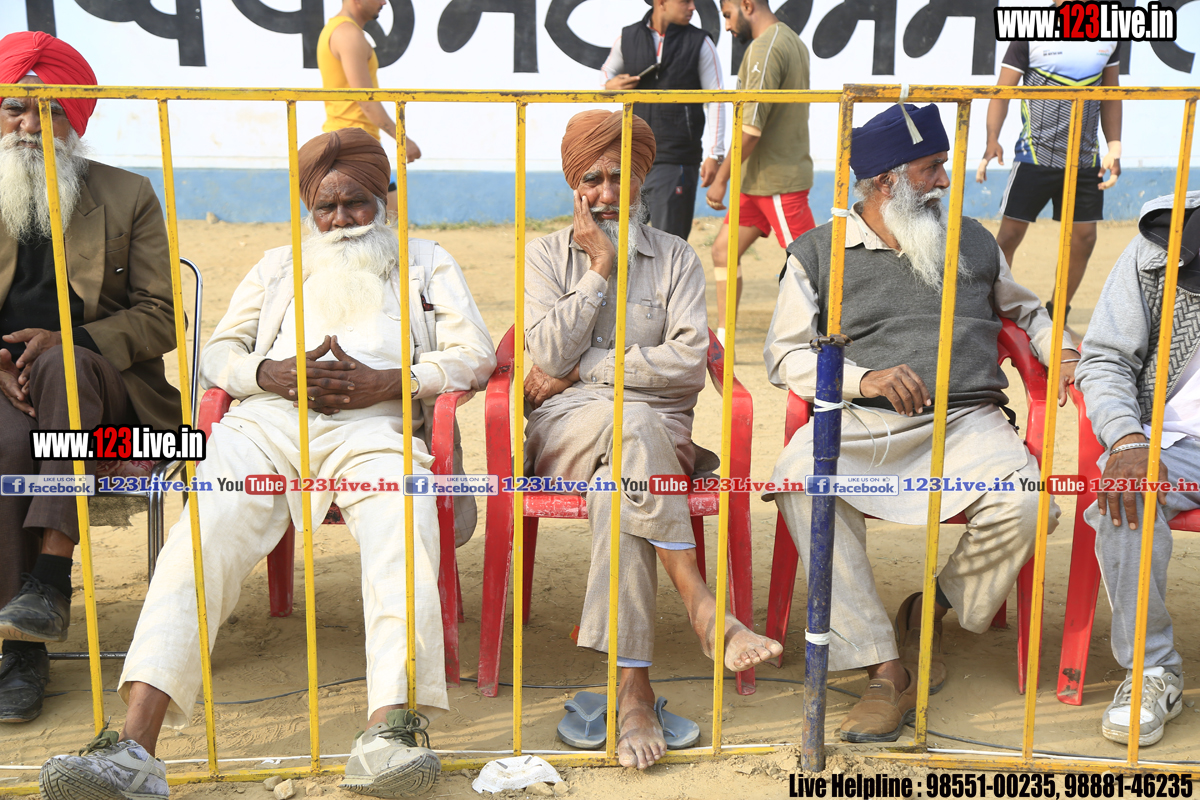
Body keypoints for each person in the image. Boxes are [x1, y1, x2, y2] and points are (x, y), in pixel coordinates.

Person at [38, 128, 496, 800]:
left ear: (385, 201)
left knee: (405, 527)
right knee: (199, 539)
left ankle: (389, 735)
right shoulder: (279, 265)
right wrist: (268, 372)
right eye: (325, 207)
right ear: (309, 209)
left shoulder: (427, 261)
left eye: (356, 203)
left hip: (377, 429)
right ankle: (132, 747)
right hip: (265, 425)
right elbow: (217, 352)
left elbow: (475, 354)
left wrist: (394, 380)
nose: (340, 219)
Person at [766, 104, 1078, 743]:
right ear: (886, 182)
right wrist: (864, 379)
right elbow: (785, 355)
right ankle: (885, 668)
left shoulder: (973, 240)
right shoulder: (818, 252)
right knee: (799, 478)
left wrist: (1063, 351)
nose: (943, 181)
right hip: (862, 421)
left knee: (1028, 501)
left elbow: (1028, 312)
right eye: (931, 167)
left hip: (967, 421)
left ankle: (929, 611)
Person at [523, 109, 781, 771]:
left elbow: (689, 363)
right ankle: (700, 602)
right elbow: (545, 355)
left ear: (643, 180)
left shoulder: (677, 259)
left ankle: (633, 691)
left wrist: (586, 368)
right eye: (593, 179)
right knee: (633, 421)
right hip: (568, 433)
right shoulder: (546, 256)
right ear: (574, 185)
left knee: (621, 483)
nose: (607, 193)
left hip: (657, 438)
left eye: (620, 177)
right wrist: (599, 268)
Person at [0, 32, 180, 725]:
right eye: (15, 108)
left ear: (73, 119)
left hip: (111, 395)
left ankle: (50, 575)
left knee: (63, 364)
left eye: (49, 112)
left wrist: (67, 340)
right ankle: (23, 643)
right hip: (7, 386)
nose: (29, 125)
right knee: (9, 446)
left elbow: (160, 317)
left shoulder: (127, 194)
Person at [1076, 190, 1200, 747]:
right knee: (1125, 498)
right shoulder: (1158, 247)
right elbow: (1104, 357)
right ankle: (1153, 670)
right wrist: (1127, 438)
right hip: (1167, 442)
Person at [976, 17, 1123, 323]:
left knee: (1085, 238)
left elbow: (1111, 95)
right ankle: (995, 314)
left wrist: (1114, 146)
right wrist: (992, 138)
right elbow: (1002, 92)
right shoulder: (1030, 30)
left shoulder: (1109, 33)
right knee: (1009, 237)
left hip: (1085, 159)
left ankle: (1058, 316)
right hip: (1035, 155)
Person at [707, 0, 814, 346]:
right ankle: (724, 342)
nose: (726, 26)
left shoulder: (765, 47)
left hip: (777, 181)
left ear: (747, 5)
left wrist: (720, 179)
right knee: (723, 251)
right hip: (756, 179)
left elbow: (751, 131)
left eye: (727, 15)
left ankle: (828, 340)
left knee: (812, 265)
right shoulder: (790, 40)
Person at [600, 0, 726, 241]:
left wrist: (715, 154)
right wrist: (610, 84)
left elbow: (717, 99)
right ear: (661, 3)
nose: (693, 7)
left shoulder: (701, 41)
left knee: (670, 245)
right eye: (685, 1)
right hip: (631, 157)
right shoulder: (628, 36)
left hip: (677, 159)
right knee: (619, 242)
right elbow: (606, 72)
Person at [318, 0, 422, 214]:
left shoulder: (340, 30)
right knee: (383, 217)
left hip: (352, 141)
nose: (384, 2)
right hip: (353, 144)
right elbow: (365, 100)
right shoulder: (348, 34)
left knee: (386, 216)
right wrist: (402, 138)